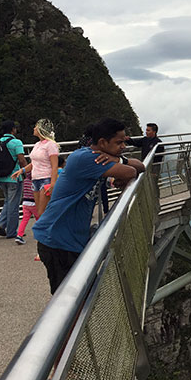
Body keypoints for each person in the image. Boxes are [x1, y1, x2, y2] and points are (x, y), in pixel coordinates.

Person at [33, 118, 145, 294]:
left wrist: (116, 158)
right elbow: (131, 171)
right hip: (57, 239)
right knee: (67, 299)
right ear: (102, 142)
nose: (124, 145)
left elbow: (141, 166)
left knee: (82, 294)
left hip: (71, 239)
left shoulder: (101, 158)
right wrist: (118, 162)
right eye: (119, 142)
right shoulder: (85, 158)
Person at [0, 120, 29, 239]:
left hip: (0, 177)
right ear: (12, 130)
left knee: (7, 201)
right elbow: (21, 159)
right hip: (14, 177)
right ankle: (11, 232)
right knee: (14, 205)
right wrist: (26, 172)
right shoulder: (16, 142)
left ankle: (1, 224)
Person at [27, 119, 60, 215]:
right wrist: (23, 170)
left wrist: (53, 184)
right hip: (35, 179)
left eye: (36, 127)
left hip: (46, 179)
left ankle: (46, 229)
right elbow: (34, 163)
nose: (34, 129)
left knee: (42, 212)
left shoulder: (51, 145)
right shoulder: (37, 144)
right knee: (39, 211)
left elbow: (54, 166)